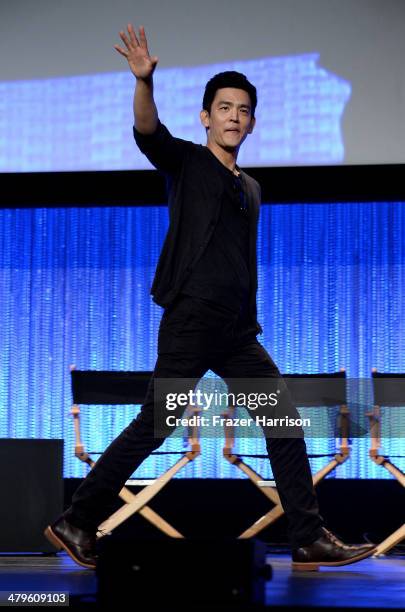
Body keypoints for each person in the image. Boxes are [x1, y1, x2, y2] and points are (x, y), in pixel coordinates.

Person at [45, 23, 375, 571]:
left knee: (283, 421)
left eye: (243, 110)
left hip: (236, 335)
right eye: (224, 108)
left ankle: (308, 535)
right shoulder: (189, 164)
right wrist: (145, 82)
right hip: (191, 322)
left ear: (252, 121)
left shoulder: (251, 188)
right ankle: (78, 520)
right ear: (206, 117)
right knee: (160, 422)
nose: (234, 117)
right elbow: (149, 133)